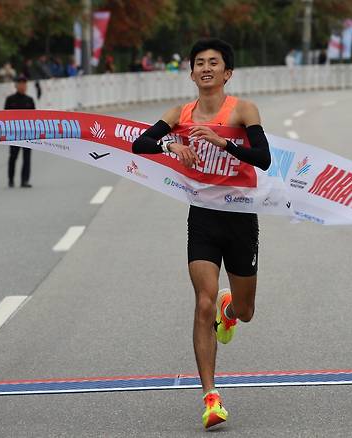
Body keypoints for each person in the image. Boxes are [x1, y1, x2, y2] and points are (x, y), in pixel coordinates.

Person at [132, 38, 271, 429]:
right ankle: (211, 397)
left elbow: (263, 157)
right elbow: (140, 143)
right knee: (203, 303)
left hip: (241, 217)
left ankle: (232, 310)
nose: (206, 68)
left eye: (214, 63)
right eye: (199, 63)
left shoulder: (242, 110)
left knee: (244, 313)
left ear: (227, 73)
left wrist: (222, 141)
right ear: (191, 73)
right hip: (204, 217)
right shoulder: (181, 112)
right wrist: (171, 143)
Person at [4, 75, 36, 187]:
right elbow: (5, 118)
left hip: (27, 133)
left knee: (27, 158)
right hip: (14, 133)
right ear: (16, 85)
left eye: (24, 84)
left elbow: (34, 118)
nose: (23, 86)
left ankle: (25, 180)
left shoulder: (30, 100)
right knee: (13, 157)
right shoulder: (10, 100)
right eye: (20, 84)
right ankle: (11, 179)